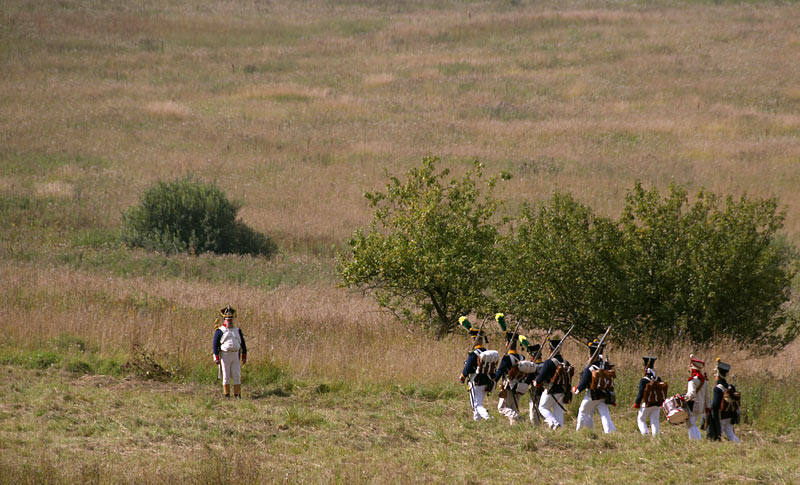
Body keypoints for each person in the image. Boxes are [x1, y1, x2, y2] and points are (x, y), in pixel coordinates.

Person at [573, 338, 617, 434]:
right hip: (604, 394)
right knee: (604, 414)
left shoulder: (590, 367)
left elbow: (584, 382)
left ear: (591, 356)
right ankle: (610, 431)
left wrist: (577, 390)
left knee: (582, 412)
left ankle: (579, 431)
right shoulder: (605, 366)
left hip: (592, 395)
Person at [459, 316, 495, 421]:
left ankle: (488, 418)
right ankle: (477, 422)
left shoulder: (473, 354)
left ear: (474, 340)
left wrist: (462, 377)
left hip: (476, 381)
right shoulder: (487, 352)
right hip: (486, 381)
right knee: (477, 403)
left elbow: (468, 367)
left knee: (477, 405)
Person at [532, 338, 572, 430]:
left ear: (550, 349)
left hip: (551, 390)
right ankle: (559, 430)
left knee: (542, 407)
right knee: (558, 412)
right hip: (562, 391)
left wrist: (536, 382)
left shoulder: (549, 362)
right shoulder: (566, 362)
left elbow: (541, 376)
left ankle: (553, 422)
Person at [212, 305, 247, 398]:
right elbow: (215, 345)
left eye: (231, 319)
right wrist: (216, 357)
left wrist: (244, 356)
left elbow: (243, 344)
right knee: (226, 375)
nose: (229, 321)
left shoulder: (237, 330)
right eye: (227, 319)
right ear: (224, 320)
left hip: (235, 354)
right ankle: (227, 394)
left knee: (237, 375)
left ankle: (237, 394)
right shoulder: (220, 331)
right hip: (225, 355)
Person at [494, 327, 525, 425]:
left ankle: (517, 417)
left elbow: (499, 372)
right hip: (520, 386)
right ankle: (515, 428)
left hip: (508, 386)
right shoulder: (522, 357)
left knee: (502, 408)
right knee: (513, 408)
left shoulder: (506, 358)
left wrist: (493, 382)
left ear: (507, 344)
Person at [707, 358, 741, 442]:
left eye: (715, 373)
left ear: (718, 375)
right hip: (731, 415)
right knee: (730, 434)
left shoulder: (718, 388)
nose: (714, 375)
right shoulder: (731, 386)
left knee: (717, 434)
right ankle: (739, 446)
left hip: (721, 416)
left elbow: (715, 405)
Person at [633, 356, 666, 436]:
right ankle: (656, 435)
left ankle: (645, 434)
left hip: (647, 404)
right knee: (655, 420)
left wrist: (637, 403)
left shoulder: (644, 380)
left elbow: (641, 393)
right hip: (657, 404)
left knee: (641, 419)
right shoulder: (658, 379)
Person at [685, 354, 709, 440]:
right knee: (693, 423)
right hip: (701, 406)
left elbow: (691, 394)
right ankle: (696, 439)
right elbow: (707, 397)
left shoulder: (692, 380)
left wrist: (684, 397)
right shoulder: (704, 382)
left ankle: (695, 440)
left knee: (690, 424)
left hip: (693, 405)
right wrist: (707, 408)